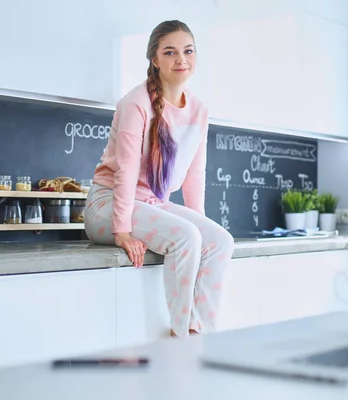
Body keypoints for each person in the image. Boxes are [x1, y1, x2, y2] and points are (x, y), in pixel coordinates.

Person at [84, 20, 235, 338]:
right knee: (186, 237)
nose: (181, 59)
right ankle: (181, 336)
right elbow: (124, 172)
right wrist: (122, 231)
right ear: (155, 59)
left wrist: (200, 221)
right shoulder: (135, 103)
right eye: (170, 52)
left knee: (220, 241)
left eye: (188, 51)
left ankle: (201, 333)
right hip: (107, 205)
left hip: (152, 204)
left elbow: (195, 174)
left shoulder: (198, 110)